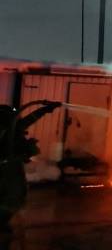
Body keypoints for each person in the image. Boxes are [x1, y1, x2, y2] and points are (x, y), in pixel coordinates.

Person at [0, 101, 61, 236]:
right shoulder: (10, 128)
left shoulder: (12, 128)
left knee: (12, 196)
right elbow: (28, 120)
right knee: (13, 196)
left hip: (11, 167)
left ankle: (3, 222)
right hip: (9, 169)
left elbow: (29, 119)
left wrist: (46, 109)